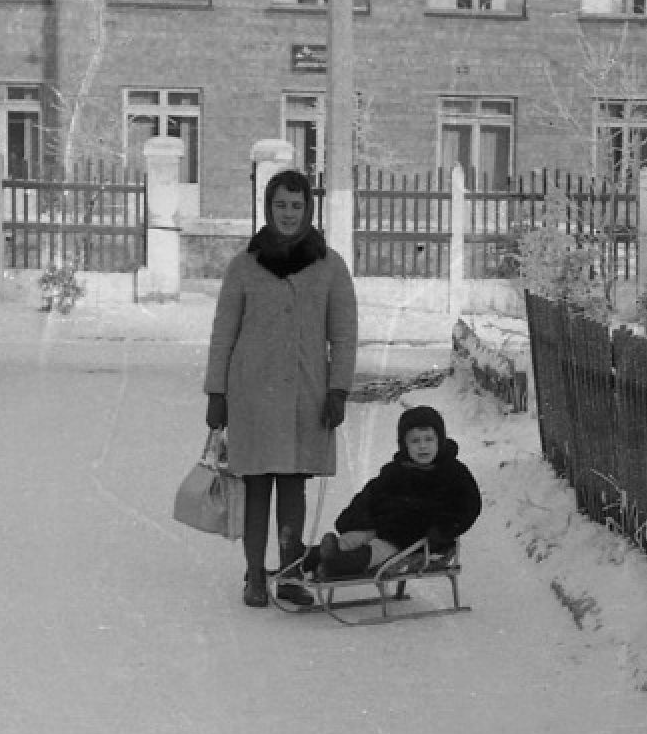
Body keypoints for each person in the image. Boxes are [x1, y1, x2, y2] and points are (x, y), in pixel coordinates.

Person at [205, 170, 357, 607]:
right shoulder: (244, 266)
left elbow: (344, 335)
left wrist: (338, 390)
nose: (288, 214)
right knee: (255, 485)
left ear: (309, 209)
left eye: (296, 206)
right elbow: (223, 333)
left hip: (304, 395)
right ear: (267, 208)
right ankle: (255, 574)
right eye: (280, 205)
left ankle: (289, 574)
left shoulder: (331, 267)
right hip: (251, 393)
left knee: (293, 485)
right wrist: (217, 393)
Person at [308, 405, 481, 579]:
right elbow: (371, 495)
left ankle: (338, 565)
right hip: (385, 529)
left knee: (378, 550)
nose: (422, 446)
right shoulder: (396, 470)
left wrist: (444, 530)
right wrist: (352, 517)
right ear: (404, 445)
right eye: (415, 441)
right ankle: (305, 558)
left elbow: (470, 505)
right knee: (352, 538)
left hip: (417, 539)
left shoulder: (452, 471)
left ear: (440, 441)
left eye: (428, 439)